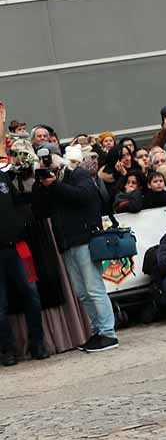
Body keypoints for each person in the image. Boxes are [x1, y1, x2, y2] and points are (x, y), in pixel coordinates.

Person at [31, 138, 119, 353]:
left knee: (94, 288)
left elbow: (85, 197)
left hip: (85, 239)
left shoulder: (76, 174)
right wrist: (41, 186)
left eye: (49, 159)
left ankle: (109, 333)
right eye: (43, 161)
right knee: (81, 292)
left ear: (58, 158)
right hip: (67, 243)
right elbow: (40, 210)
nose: (47, 164)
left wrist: (56, 185)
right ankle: (97, 331)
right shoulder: (52, 183)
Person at [0, 106, 49, 364]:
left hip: (18, 247)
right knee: (0, 307)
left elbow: (21, 204)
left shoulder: (4, 177)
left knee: (31, 294)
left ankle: (38, 343)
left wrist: (21, 225)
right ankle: (7, 350)